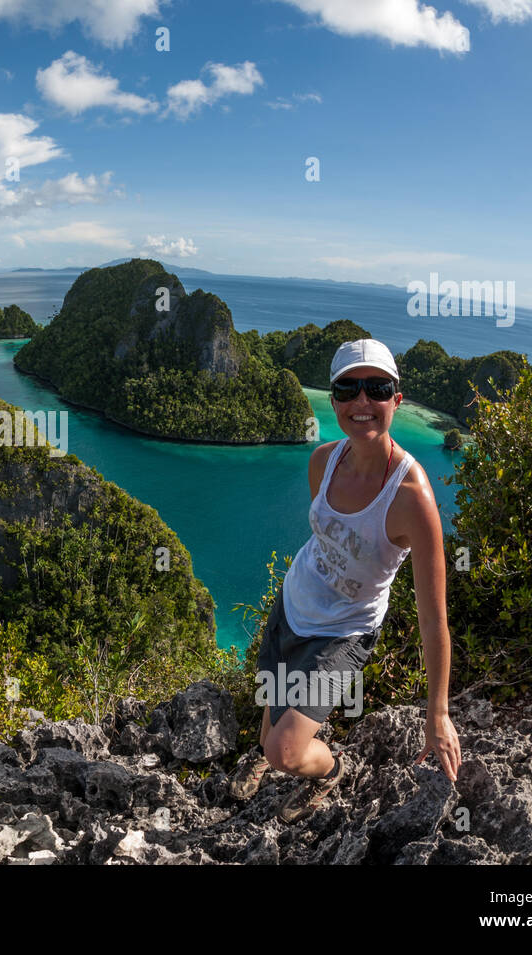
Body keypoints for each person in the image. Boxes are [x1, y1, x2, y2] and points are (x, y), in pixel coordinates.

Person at [228, 338, 462, 822]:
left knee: (287, 753)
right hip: (292, 606)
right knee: (267, 732)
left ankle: (333, 770)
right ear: (333, 399)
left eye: (376, 389)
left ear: (397, 399)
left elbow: (433, 621)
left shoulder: (411, 498)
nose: (362, 402)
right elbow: (324, 539)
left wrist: (436, 713)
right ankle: (264, 753)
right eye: (347, 389)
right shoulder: (323, 461)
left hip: (344, 632)